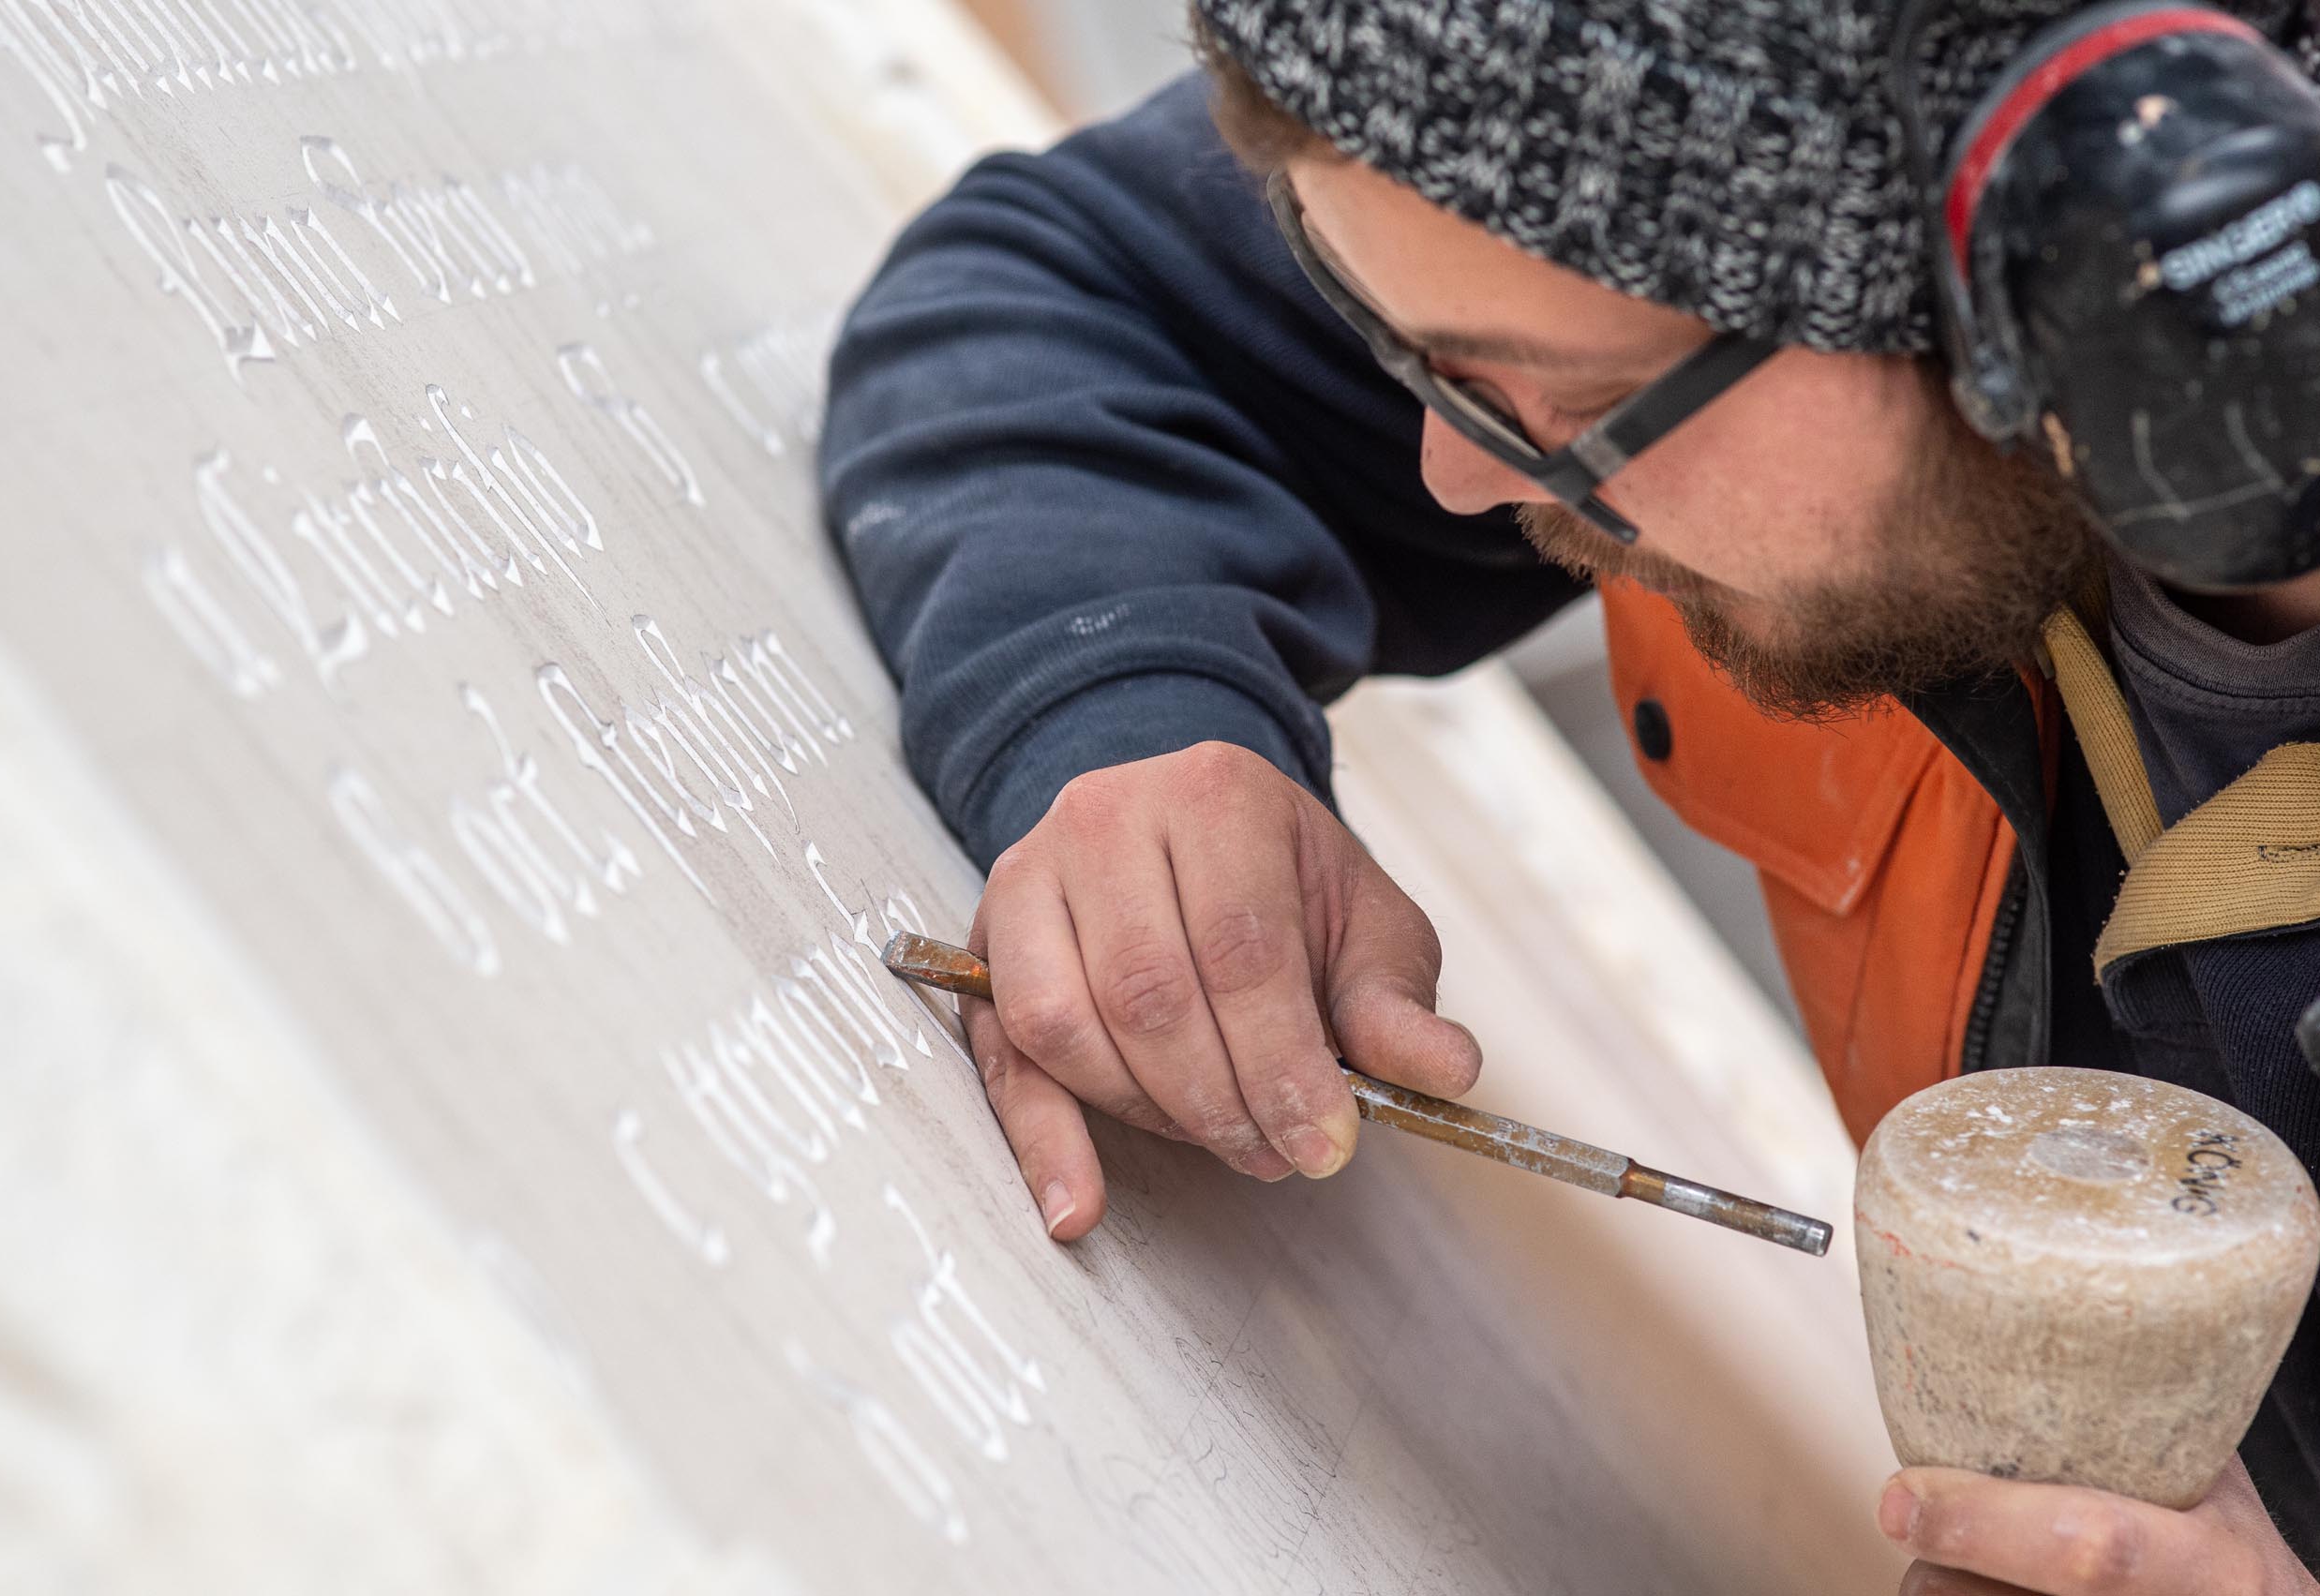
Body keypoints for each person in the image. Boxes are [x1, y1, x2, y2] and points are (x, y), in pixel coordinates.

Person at [818, 0, 2320, 1586]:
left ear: (2117, 287)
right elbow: (1076, 301)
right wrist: (1127, 720)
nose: (1457, 474)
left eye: (1575, 406)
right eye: (1417, 354)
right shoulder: (1575, 196)